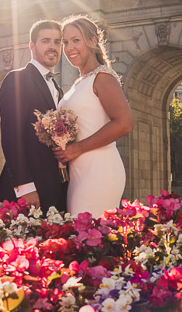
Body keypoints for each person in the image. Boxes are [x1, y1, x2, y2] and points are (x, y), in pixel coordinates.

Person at [53, 15, 132, 218]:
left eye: (76, 40)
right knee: (82, 239)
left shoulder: (103, 77)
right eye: (66, 42)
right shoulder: (80, 82)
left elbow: (124, 123)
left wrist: (76, 149)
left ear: (93, 41)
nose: (70, 48)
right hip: (78, 172)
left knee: (89, 238)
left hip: (99, 171)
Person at [0, 20, 67, 213]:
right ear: (32, 46)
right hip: (31, 190)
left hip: (57, 187)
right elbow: (11, 136)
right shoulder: (17, 79)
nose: (53, 46)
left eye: (57, 42)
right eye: (46, 41)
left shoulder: (58, 88)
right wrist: (25, 187)